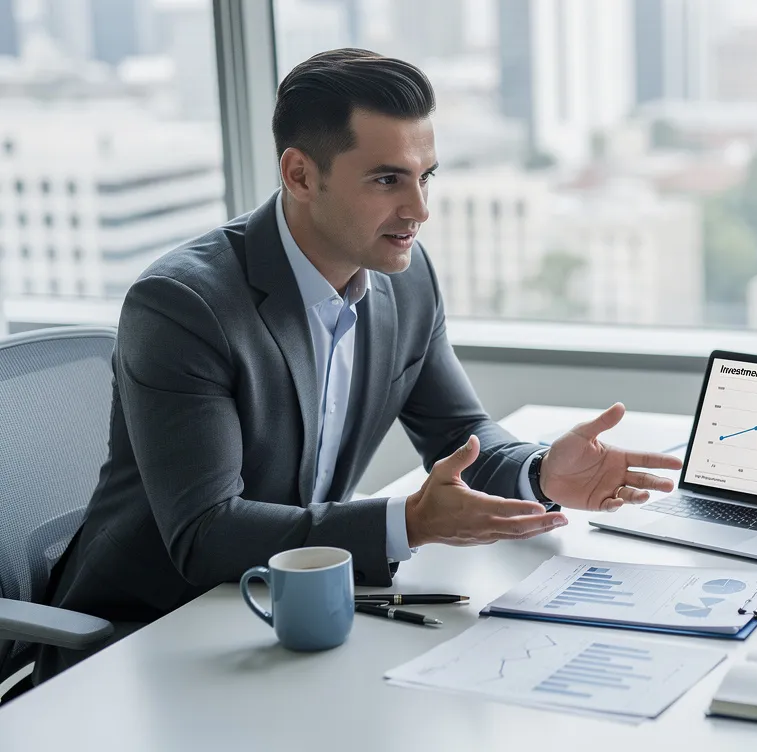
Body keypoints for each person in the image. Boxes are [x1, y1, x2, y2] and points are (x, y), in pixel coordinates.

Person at [36, 49, 681, 680]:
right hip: (148, 639)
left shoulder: (403, 276)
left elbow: (459, 435)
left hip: (293, 613)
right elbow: (205, 534)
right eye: (386, 179)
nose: (419, 210)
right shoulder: (184, 306)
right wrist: (408, 522)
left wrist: (540, 472)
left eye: (425, 176)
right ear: (299, 175)